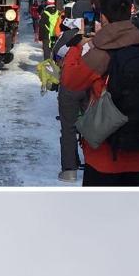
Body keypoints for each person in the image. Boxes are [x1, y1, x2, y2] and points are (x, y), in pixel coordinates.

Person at [58, 0, 139, 187]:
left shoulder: (99, 54)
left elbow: (70, 83)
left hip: (105, 157)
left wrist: (78, 47)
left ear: (103, 17)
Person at [50, 12, 87, 182]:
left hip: (70, 86)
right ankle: (93, 163)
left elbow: (54, 56)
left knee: (68, 128)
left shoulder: (66, 37)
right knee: (93, 125)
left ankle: (69, 170)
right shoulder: (101, 37)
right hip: (91, 85)